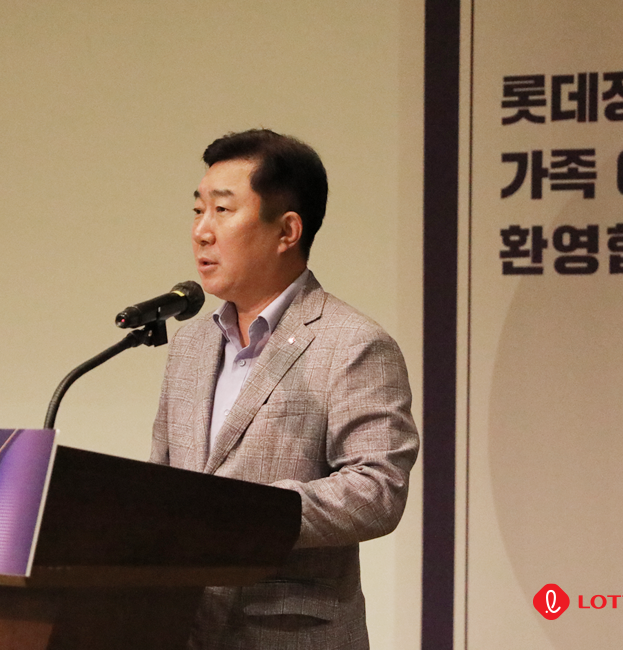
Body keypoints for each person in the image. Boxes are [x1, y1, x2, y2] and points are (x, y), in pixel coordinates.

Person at [151, 128, 419, 649]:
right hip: (185, 631)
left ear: (287, 231)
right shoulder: (190, 345)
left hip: (288, 633)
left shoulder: (352, 343)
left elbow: (378, 489)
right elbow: (164, 482)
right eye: (198, 210)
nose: (201, 231)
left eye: (222, 210)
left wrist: (246, 515)